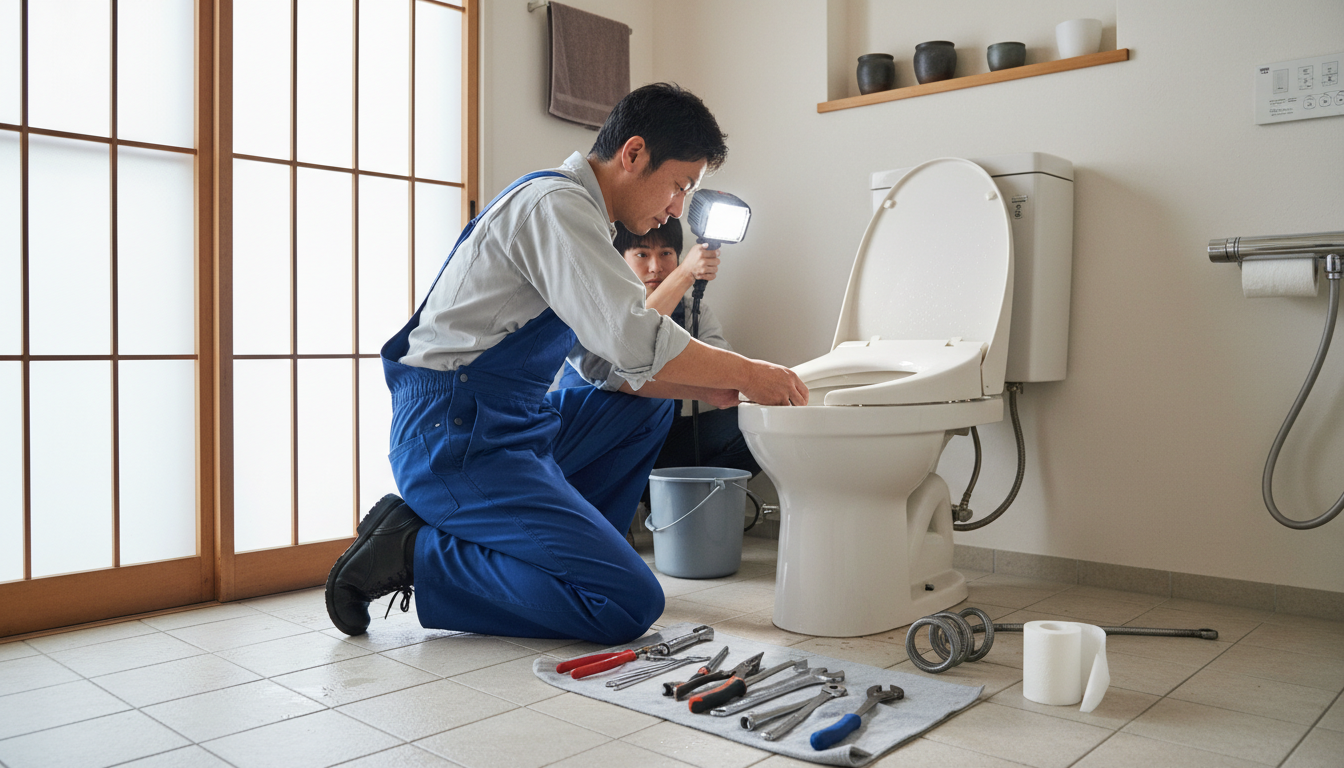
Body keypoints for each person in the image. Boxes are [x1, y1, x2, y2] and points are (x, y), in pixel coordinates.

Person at [325, 83, 807, 646]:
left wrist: (710, 387)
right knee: (627, 602)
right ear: (633, 154)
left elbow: (607, 367)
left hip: (507, 425)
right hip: (453, 434)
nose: (678, 208)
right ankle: (413, 549)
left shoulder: (581, 220)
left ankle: (577, 553)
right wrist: (752, 374)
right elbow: (632, 337)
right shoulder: (554, 207)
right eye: (678, 185)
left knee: (647, 409)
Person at [559, 221, 761, 477]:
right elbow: (630, 337)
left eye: (666, 254)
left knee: (751, 428)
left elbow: (724, 378)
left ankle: (681, 506)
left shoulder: (693, 313)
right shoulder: (596, 307)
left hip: (657, 438)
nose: (656, 267)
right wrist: (685, 274)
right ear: (619, 259)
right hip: (595, 440)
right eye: (642, 254)